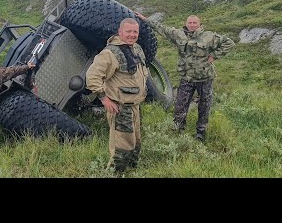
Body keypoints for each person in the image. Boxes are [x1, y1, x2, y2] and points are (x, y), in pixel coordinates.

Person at [135, 12, 235, 142]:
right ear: (186, 24)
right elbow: (162, 28)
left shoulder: (209, 36)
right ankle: (178, 130)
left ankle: (201, 132)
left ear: (200, 24)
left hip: (205, 78)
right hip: (186, 78)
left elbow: (229, 43)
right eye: (190, 23)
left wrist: (214, 56)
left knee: (204, 106)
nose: (192, 25)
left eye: (195, 23)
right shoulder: (179, 35)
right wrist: (145, 19)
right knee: (180, 105)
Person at [86, 18, 149, 173]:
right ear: (120, 32)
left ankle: (130, 172)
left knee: (136, 143)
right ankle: (114, 174)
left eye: (135, 32)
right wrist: (103, 98)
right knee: (122, 148)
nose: (132, 35)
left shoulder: (137, 49)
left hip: (135, 106)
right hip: (121, 108)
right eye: (128, 31)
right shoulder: (110, 53)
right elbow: (92, 76)